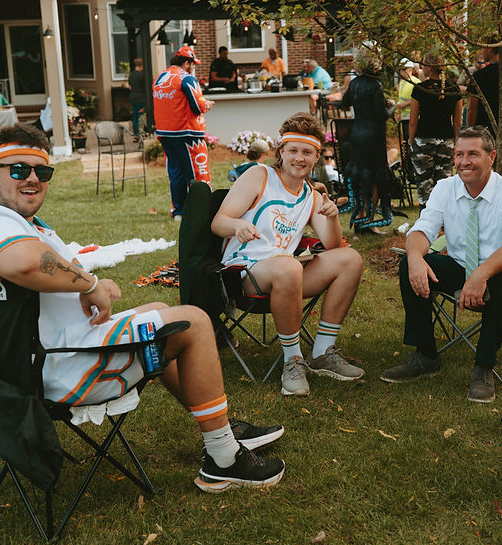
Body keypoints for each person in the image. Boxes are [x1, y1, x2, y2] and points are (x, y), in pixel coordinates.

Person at [0, 125, 285, 492]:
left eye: (41, 171)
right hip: (62, 368)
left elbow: (41, 267)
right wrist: (90, 284)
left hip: (38, 361)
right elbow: (25, 263)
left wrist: (86, 281)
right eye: (18, 169)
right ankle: (223, 457)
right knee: (193, 321)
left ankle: (218, 425)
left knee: (159, 309)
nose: (32, 179)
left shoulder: (20, 225)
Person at [213, 113, 365, 397]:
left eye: (307, 152)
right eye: (293, 150)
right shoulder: (259, 176)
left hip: (286, 276)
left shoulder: (311, 195)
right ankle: (293, 361)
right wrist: (237, 225)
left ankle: (322, 353)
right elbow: (218, 222)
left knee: (350, 260)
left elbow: (332, 244)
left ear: (316, 157)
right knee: (289, 266)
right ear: (281, 152)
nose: (299, 158)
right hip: (244, 273)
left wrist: (332, 216)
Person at [381, 126, 502, 403]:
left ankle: (483, 367)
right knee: (409, 264)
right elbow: (422, 229)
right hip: (461, 267)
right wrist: (415, 258)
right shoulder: (445, 188)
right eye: (459, 154)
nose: (464, 162)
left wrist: (481, 274)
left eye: (473, 154)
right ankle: (426, 355)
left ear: (491, 157)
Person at [153, 45, 214, 222]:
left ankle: (178, 212)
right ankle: (201, 210)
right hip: (188, 133)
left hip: (165, 133)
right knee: (197, 173)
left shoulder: (160, 78)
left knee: (175, 173)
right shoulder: (186, 78)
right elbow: (198, 106)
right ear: (187, 63)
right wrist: (208, 104)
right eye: (192, 64)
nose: (193, 67)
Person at [341, 48, 396, 231]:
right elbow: (381, 115)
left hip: (358, 133)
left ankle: (361, 216)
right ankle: (370, 221)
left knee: (360, 174)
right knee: (374, 176)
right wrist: (392, 108)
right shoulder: (375, 85)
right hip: (374, 136)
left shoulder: (355, 83)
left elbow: (345, 102)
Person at [408, 53, 462, 206]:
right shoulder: (453, 88)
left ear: (430, 67)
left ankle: (426, 215)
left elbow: (413, 121)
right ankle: (443, 216)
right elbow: (457, 122)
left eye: (423, 64)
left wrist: (411, 141)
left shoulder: (420, 89)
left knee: (424, 183)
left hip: (423, 140)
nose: (422, 67)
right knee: (444, 183)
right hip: (446, 140)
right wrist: (457, 142)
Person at [466, 47, 498, 138]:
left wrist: (471, 131)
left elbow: (472, 108)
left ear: (490, 49)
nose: (482, 51)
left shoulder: (479, 75)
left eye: (484, 48)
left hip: (482, 132)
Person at [127, 57, 149, 137]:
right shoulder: (142, 75)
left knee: (135, 115)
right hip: (141, 97)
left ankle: (136, 133)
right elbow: (146, 86)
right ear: (141, 66)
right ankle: (141, 133)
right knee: (141, 116)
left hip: (133, 97)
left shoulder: (131, 75)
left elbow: (130, 86)